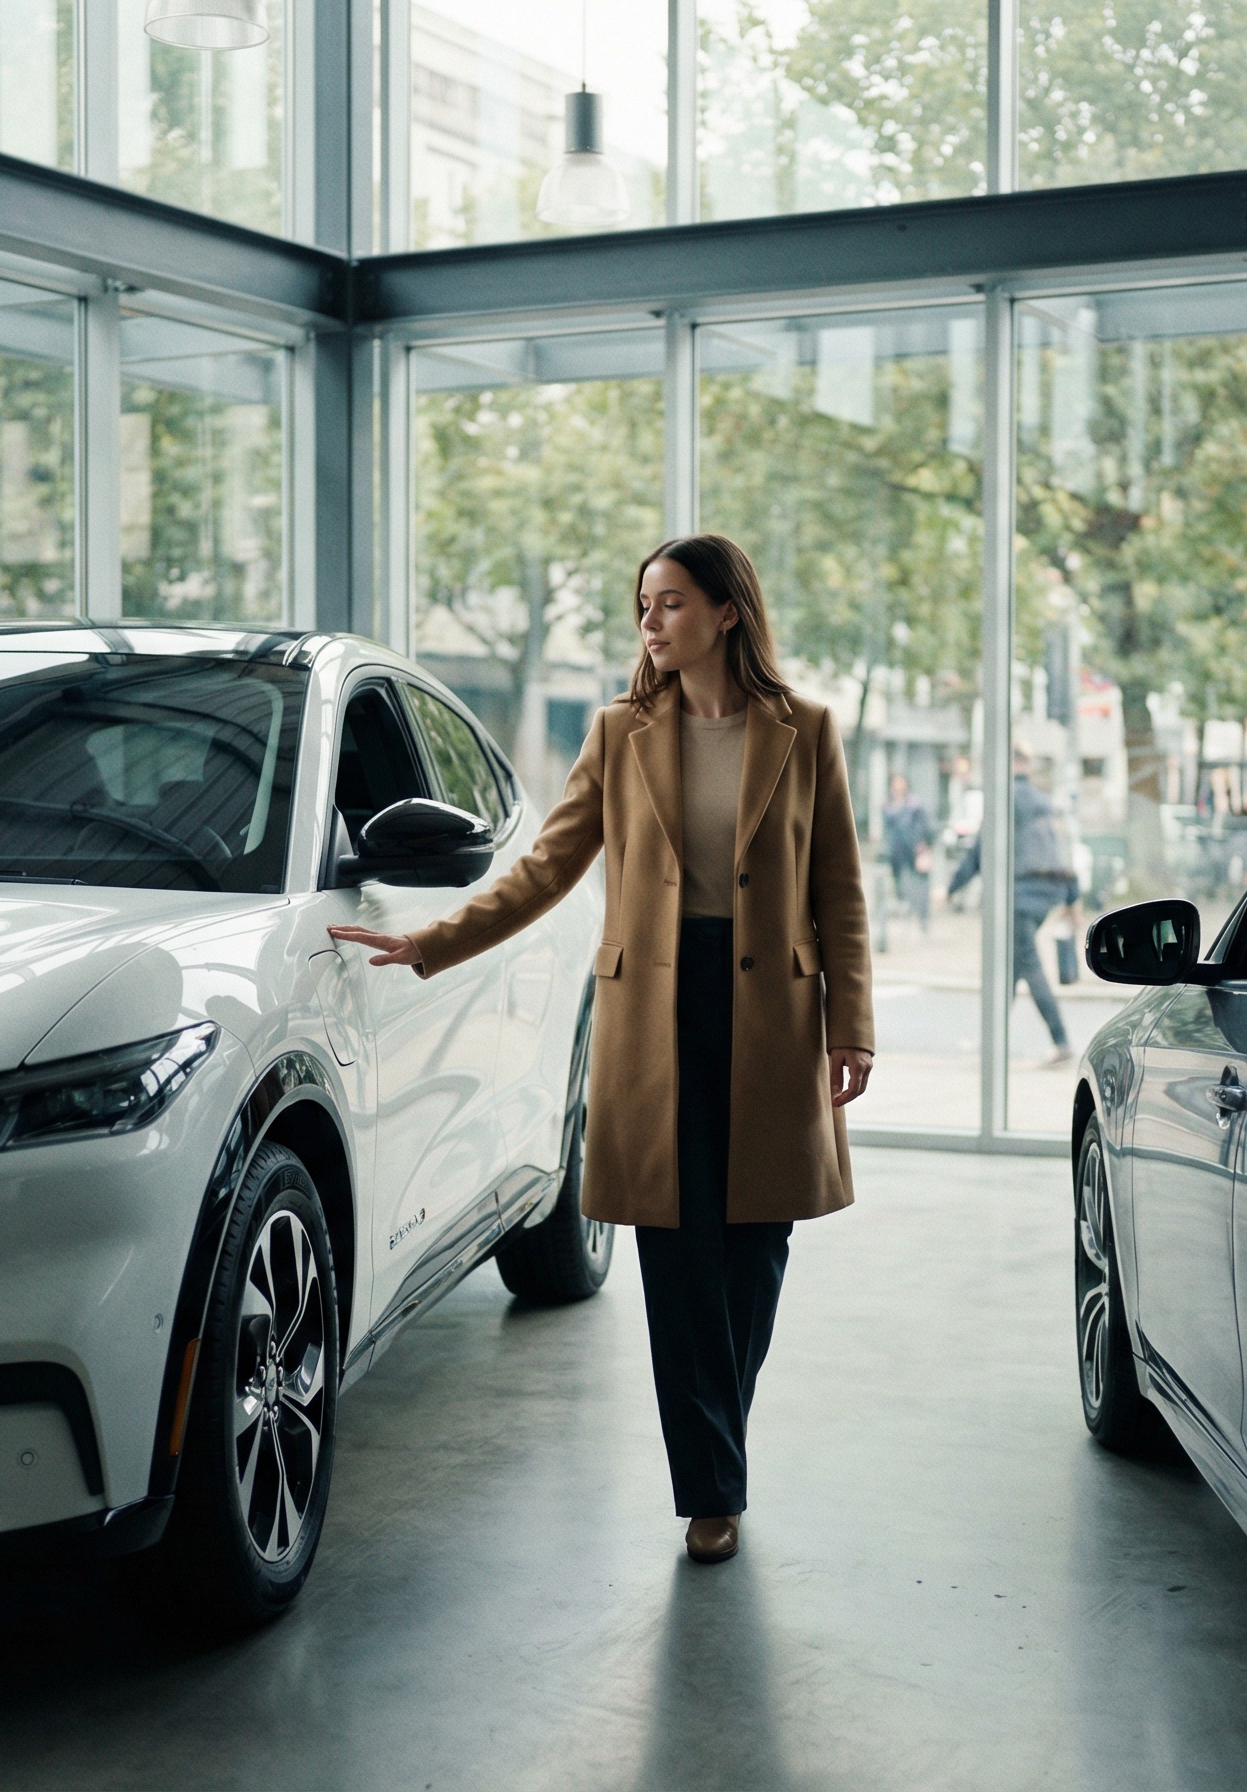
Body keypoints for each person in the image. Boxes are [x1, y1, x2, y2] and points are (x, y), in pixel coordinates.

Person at [327, 534, 875, 1567]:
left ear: (726, 612)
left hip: (775, 1016)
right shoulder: (621, 733)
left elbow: (837, 887)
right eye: (642, 606)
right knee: (676, 1249)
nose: (650, 623)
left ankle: (719, 1442)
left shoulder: (807, 731)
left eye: (669, 603)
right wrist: (429, 941)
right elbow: (545, 869)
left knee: (757, 1240)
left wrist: (851, 1026)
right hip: (653, 1018)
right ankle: (710, 1487)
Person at [946, 747, 1077, 1068]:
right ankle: (992, 1042)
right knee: (1012, 971)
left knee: (1029, 966)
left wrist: (949, 889)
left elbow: (979, 851)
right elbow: (1063, 849)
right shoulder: (1044, 802)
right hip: (1047, 894)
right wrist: (1072, 897)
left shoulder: (1004, 800)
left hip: (1017, 895)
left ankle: (1061, 1042)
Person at [880, 773, 934, 938]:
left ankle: (921, 918)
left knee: (920, 886)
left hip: (915, 852)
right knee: (902, 886)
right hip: (898, 854)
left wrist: (923, 847)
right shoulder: (889, 806)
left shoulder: (914, 805)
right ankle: (909, 912)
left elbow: (926, 828)